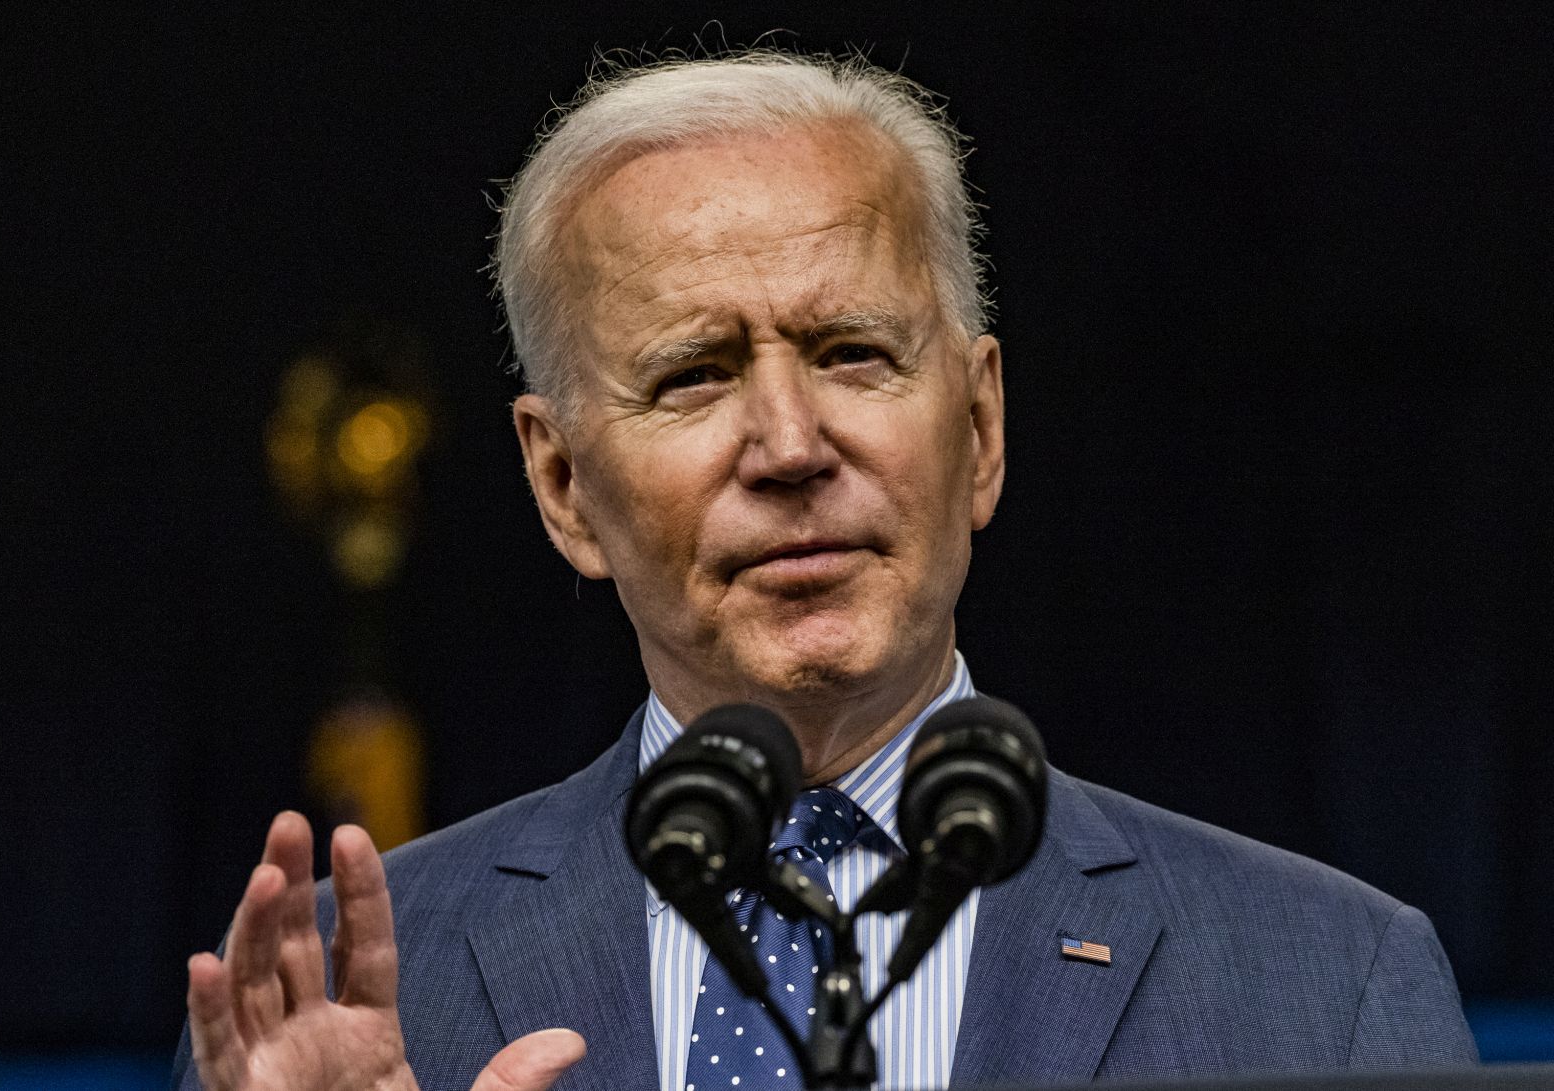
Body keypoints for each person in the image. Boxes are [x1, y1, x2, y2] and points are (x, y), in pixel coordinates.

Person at [173, 51, 1477, 1091]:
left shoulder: (1332, 981)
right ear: (562, 484)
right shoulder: (328, 1002)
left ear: (979, 428)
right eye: (693, 375)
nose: (792, 448)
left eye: (854, 352)